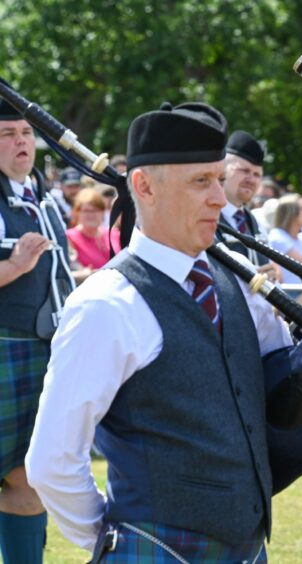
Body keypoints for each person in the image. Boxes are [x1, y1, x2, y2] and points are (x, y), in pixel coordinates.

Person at [24, 102, 302, 561]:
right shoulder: (106, 304)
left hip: (248, 547)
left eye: (219, 179)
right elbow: (52, 460)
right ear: (144, 186)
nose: (219, 198)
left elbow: (296, 390)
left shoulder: (236, 285)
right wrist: (120, 541)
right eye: (201, 181)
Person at [0, 97, 72, 563]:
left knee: (28, 476)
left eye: (26, 133)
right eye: (8, 135)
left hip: (40, 351)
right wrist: (15, 265)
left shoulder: (41, 197)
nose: (22, 142)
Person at [217, 130, 279, 280]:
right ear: (223, 170)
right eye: (244, 170)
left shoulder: (256, 224)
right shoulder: (205, 217)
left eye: (257, 174)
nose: (251, 179)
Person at [268, 194, 302, 282]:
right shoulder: (277, 237)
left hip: (299, 293)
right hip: (288, 293)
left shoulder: (299, 238)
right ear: (292, 214)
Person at [66, 187, 111, 282]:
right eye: (86, 211)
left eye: (96, 210)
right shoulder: (69, 238)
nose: (91, 215)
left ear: (103, 212)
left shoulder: (114, 234)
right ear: (76, 212)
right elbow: (69, 272)